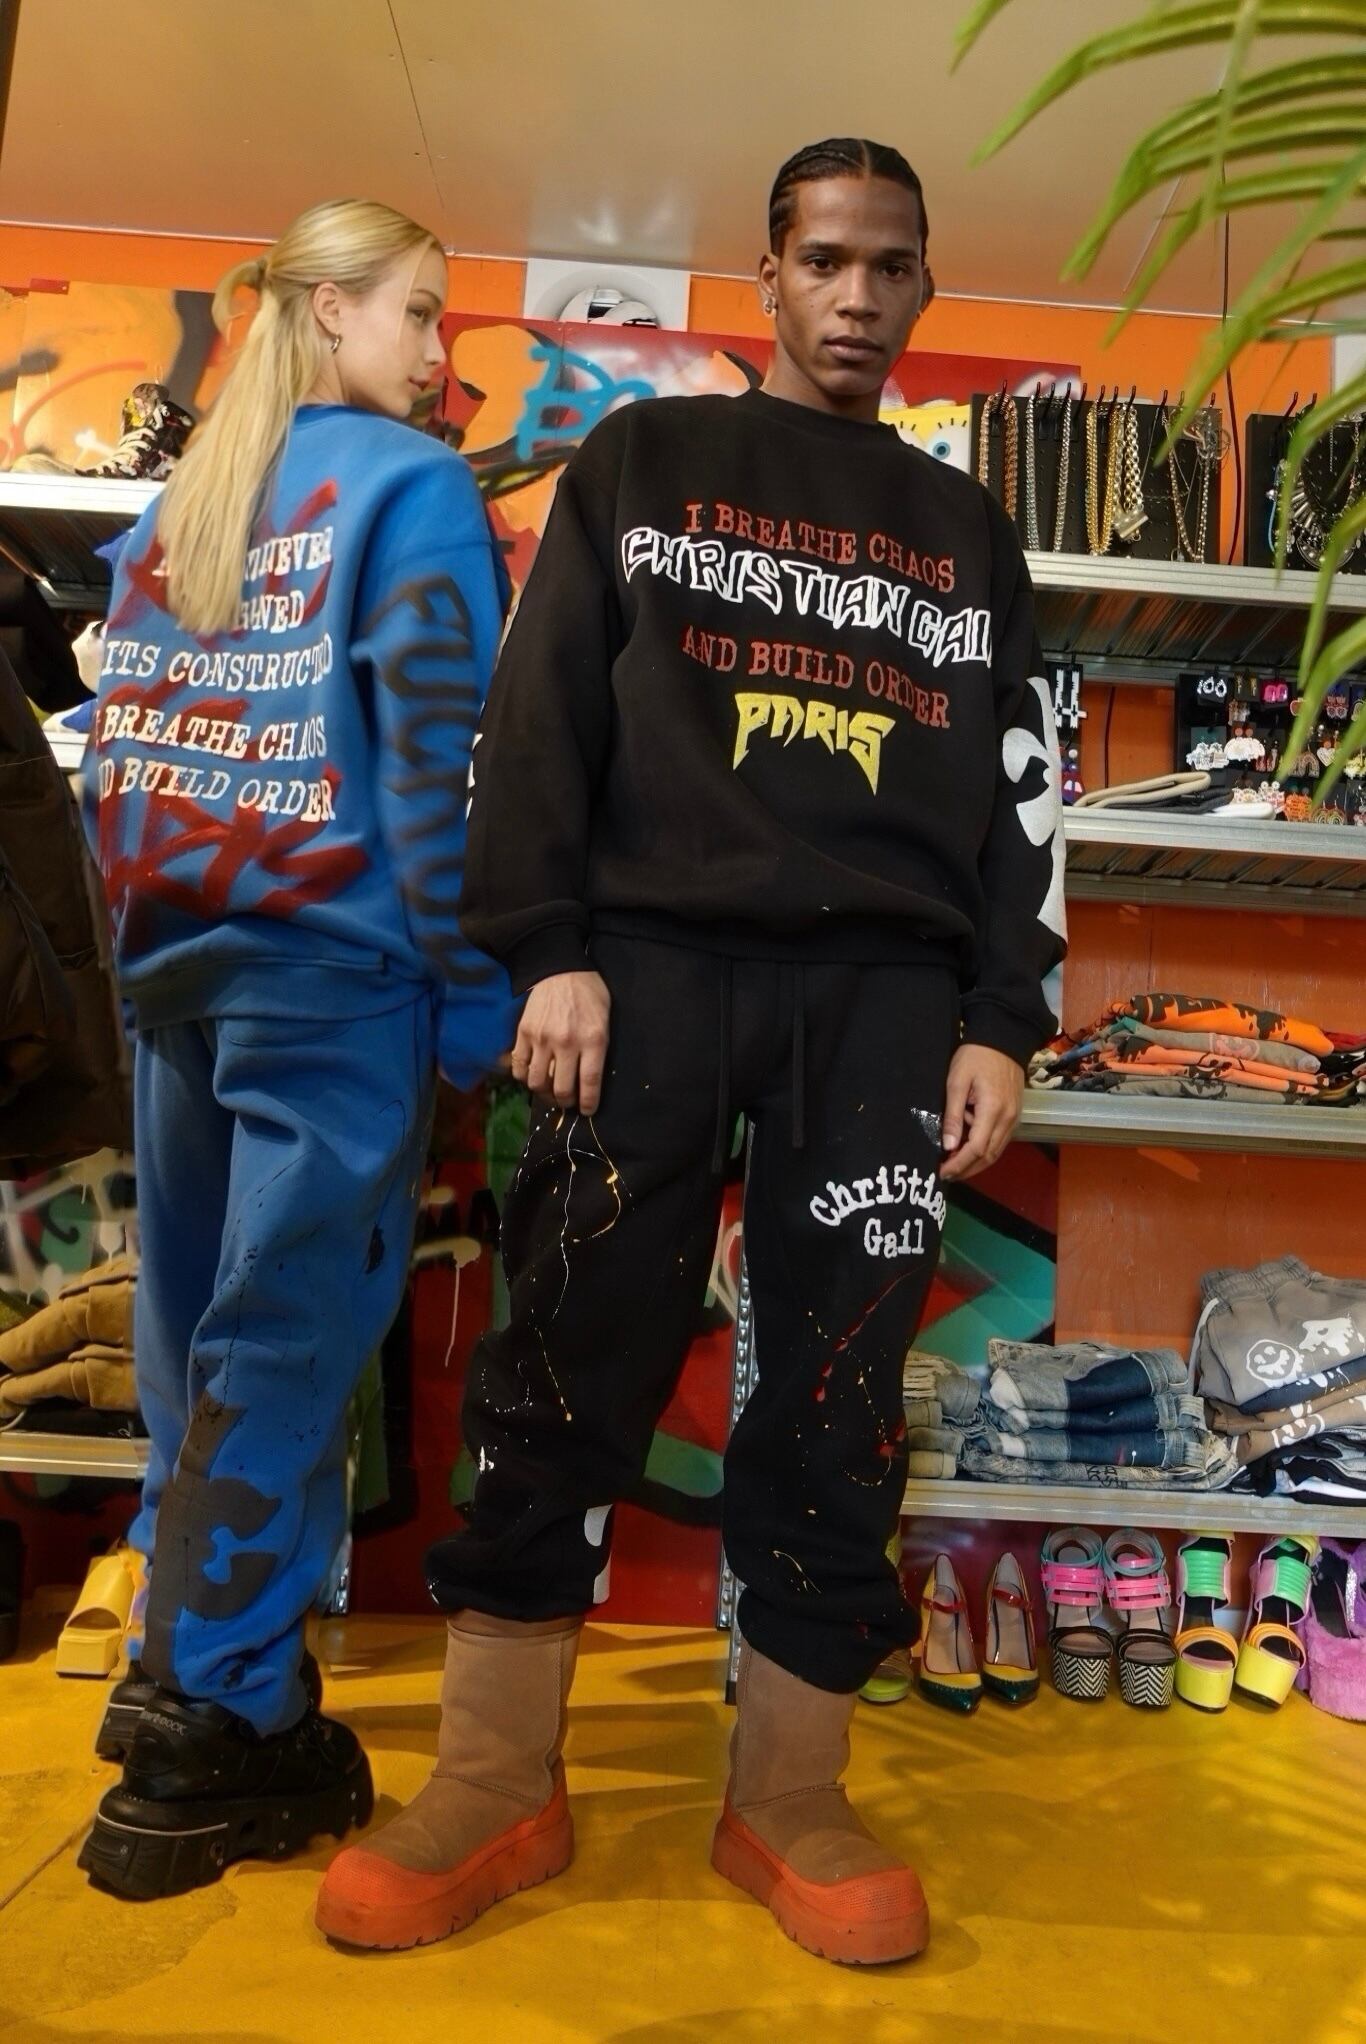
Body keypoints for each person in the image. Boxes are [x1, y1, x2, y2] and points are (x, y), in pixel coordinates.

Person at [317, 139, 1065, 1965]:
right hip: (640, 978)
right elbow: (536, 714)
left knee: (836, 1395)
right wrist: (548, 951)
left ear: (922, 285)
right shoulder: (642, 463)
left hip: (880, 1006)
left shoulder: (964, 529)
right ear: (770, 273)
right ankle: (494, 1780)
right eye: (826, 261)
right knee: (563, 1361)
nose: (858, 297)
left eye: (892, 267)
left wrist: (1000, 1017)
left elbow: (1019, 790)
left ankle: (789, 1796)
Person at [78, 199, 517, 1902]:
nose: (439, 354)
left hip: (179, 974)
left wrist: (146, 965)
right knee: (283, 1346)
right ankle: (210, 1721)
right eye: (421, 312)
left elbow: (121, 765)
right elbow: (434, 773)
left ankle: (182, 1668)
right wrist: (469, 1000)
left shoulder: (183, 502)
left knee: (189, 1332)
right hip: (334, 984)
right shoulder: (409, 490)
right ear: (327, 311)